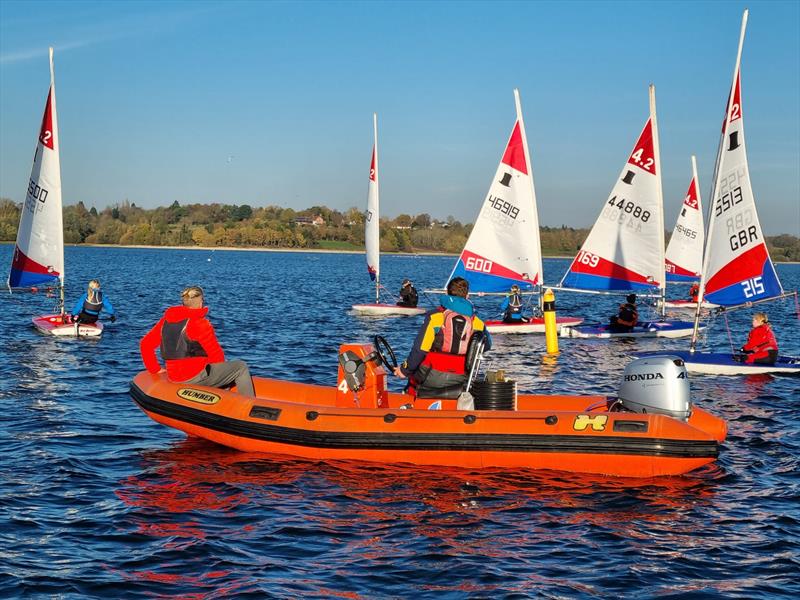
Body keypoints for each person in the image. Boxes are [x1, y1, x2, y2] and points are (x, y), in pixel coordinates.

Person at [139, 285, 255, 396]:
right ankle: (250, 405)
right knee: (241, 366)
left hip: (173, 376)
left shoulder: (165, 321)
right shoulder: (200, 323)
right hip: (195, 377)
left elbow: (145, 344)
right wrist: (221, 378)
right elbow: (216, 355)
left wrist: (155, 369)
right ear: (200, 302)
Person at [393, 277, 491, 398]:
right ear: (467, 297)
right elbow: (486, 346)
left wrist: (404, 370)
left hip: (430, 376)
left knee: (412, 380)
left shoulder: (436, 318)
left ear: (447, 293)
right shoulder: (478, 323)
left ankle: (411, 407)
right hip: (461, 377)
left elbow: (420, 349)